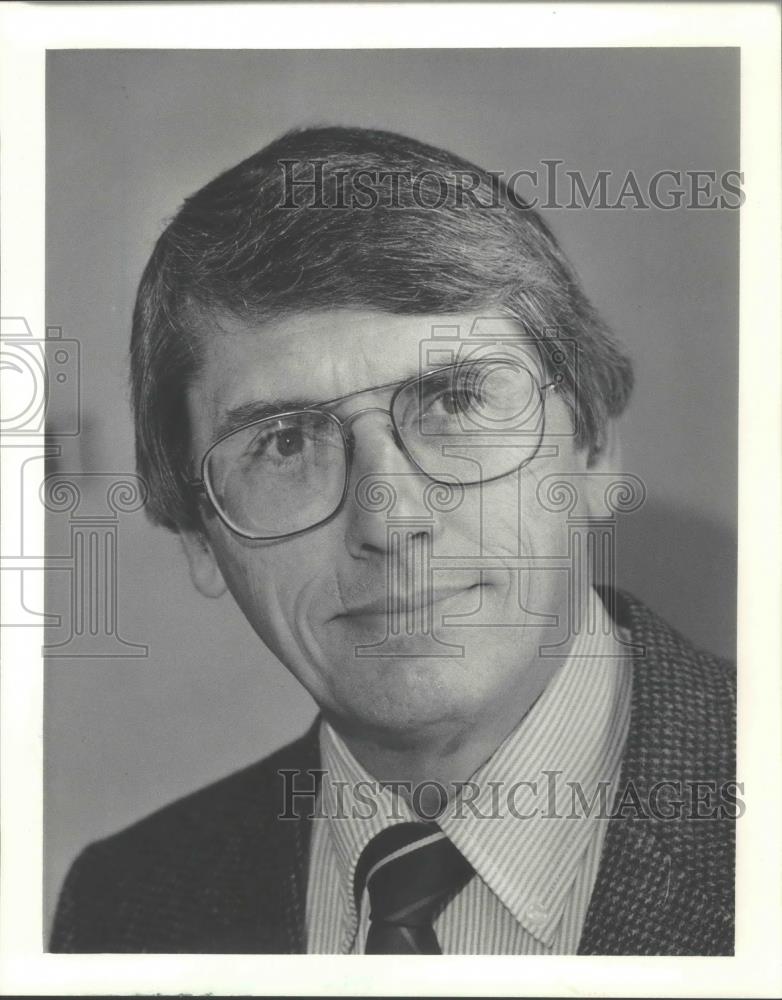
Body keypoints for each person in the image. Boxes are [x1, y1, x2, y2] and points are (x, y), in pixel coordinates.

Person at [50, 126, 736, 956]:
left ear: (591, 446)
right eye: (286, 443)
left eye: (452, 401)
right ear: (199, 534)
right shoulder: (125, 906)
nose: (390, 520)